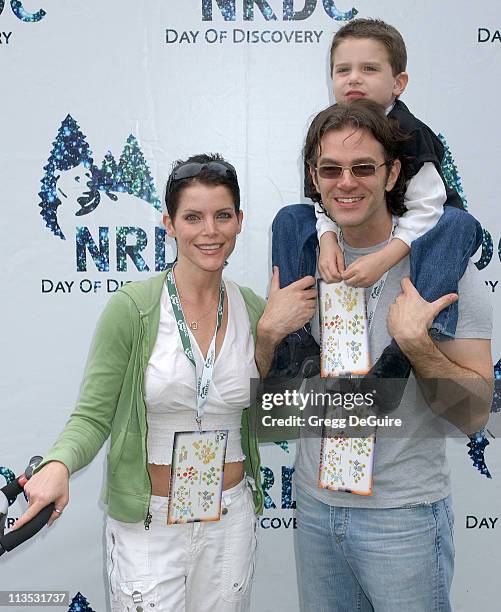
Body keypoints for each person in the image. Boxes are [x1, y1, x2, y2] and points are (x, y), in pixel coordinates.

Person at [15, 154, 316, 611]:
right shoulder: (133, 308)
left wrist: (271, 336)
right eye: (192, 217)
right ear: (169, 224)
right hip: (148, 526)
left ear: (239, 222)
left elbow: (272, 420)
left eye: (222, 216)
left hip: (230, 520)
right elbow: (93, 415)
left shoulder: (255, 308)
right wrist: (58, 463)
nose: (209, 231)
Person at [287, 100, 493, 611]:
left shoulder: (445, 267)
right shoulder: (300, 258)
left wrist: (420, 347)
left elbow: (474, 416)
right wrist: (270, 336)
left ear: (394, 172)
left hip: (403, 518)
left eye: (363, 168)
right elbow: (277, 397)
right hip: (314, 510)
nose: (347, 183)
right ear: (314, 178)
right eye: (331, 170)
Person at [271, 17, 490, 472]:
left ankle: (409, 344)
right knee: (290, 217)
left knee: (457, 222)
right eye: (342, 70)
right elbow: (278, 415)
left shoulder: (412, 133)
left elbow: (430, 208)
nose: (353, 79)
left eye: (369, 69)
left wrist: (391, 262)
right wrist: (327, 233)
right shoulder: (325, 131)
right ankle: (298, 344)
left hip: (427, 229)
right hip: (318, 500)